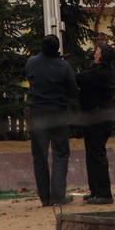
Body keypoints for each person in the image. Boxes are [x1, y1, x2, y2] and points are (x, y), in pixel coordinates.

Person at [25, 34, 79, 207]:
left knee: (39, 156)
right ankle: (58, 195)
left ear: (41, 47)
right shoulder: (64, 66)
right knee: (60, 153)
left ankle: (44, 198)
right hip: (57, 113)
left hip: (37, 113)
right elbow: (73, 92)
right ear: (57, 50)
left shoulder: (31, 62)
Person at [76, 41, 115, 205]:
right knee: (92, 154)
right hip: (98, 118)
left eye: (98, 50)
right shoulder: (103, 70)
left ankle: (104, 193)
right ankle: (96, 191)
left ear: (100, 56)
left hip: (97, 119)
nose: (95, 52)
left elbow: (78, 78)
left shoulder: (100, 73)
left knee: (97, 155)